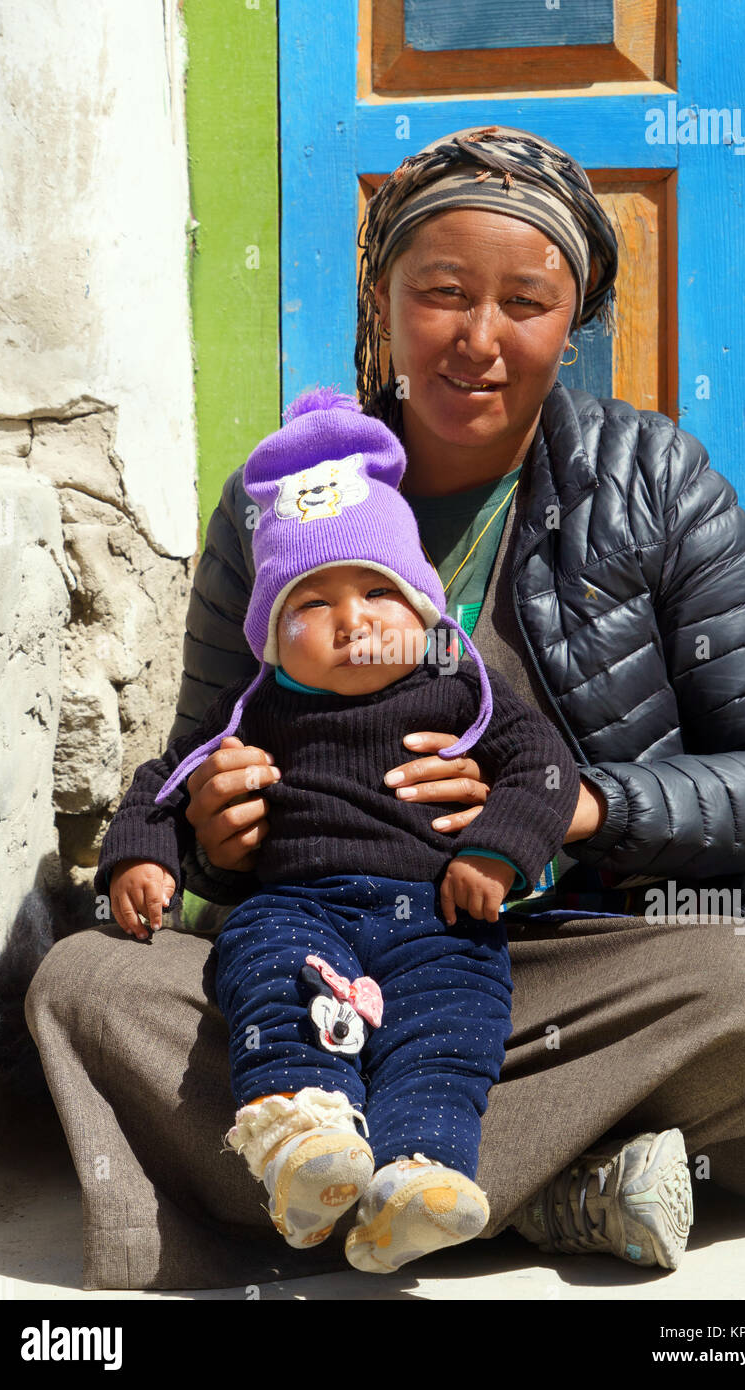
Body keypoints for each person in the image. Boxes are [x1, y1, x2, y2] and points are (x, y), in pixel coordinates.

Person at [26, 125, 745, 1292]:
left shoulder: (655, 482)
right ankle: (557, 1183)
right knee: (87, 987)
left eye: (525, 302)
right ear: (382, 297)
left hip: (581, 962)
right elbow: (199, 755)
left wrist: (580, 811)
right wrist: (210, 833)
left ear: (578, 319)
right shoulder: (282, 505)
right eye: (441, 294)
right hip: (328, 964)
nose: (476, 340)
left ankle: (371, 1174)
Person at [91, 386, 580, 1273]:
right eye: (312, 605)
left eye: (376, 593)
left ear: (424, 607)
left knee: (454, 1031)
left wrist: (496, 850)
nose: (353, 621)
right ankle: (305, 1140)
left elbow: (545, 767)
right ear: (274, 639)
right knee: (266, 984)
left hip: (439, 919)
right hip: (298, 911)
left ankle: (417, 1180)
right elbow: (165, 783)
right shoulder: (262, 708)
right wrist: (142, 858)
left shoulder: (462, 687)